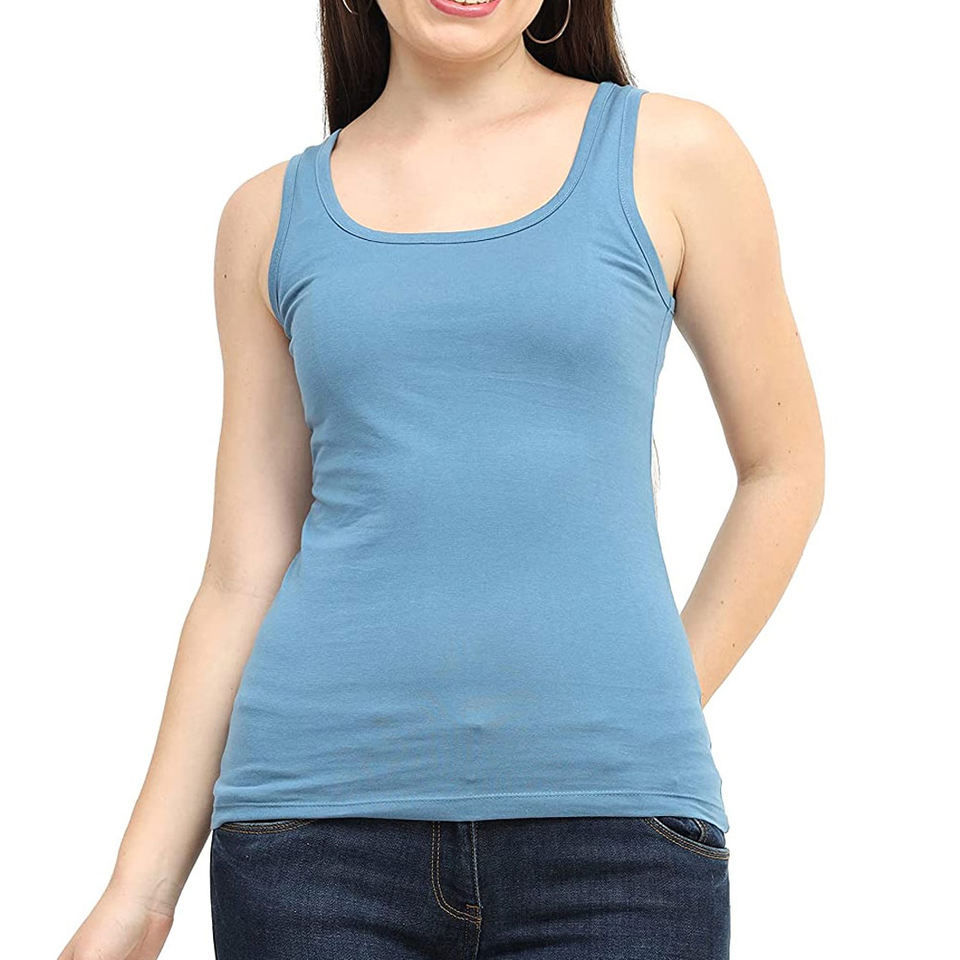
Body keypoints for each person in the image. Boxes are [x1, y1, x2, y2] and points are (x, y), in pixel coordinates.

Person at [58, 1, 824, 958]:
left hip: (619, 849)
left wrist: (649, 702)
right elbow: (240, 575)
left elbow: (782, 469)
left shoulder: (676, 154)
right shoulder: (268, 215)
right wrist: (138, 894)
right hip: (310, 843)